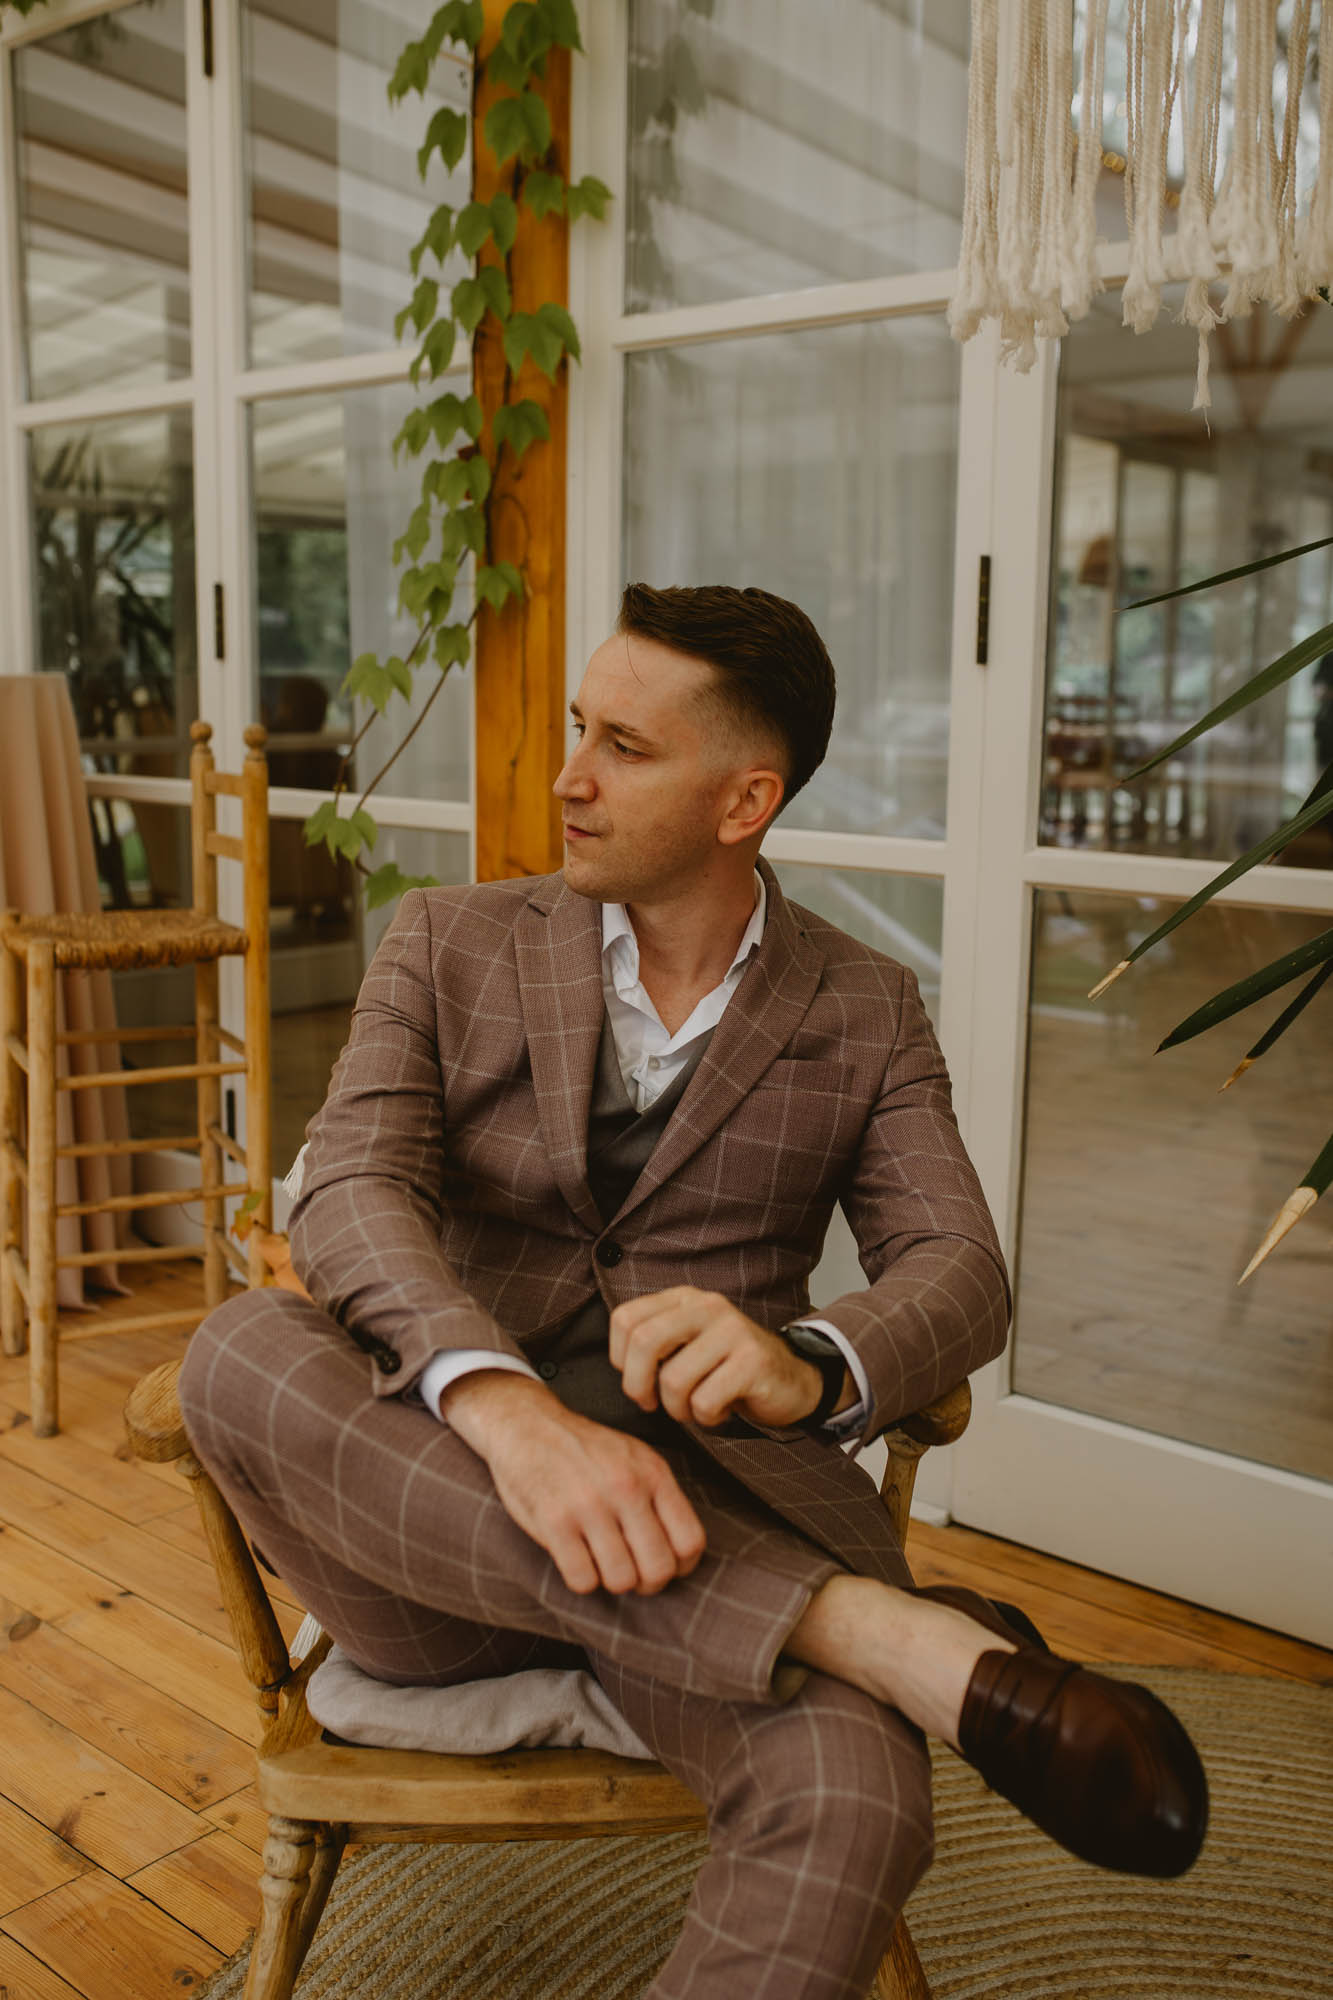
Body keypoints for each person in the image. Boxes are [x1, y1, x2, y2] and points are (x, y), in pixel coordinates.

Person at [181, 584, 1206, 2000]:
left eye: (624, 748)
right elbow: (350, 1189)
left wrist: (809, 1361)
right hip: (433, 1546)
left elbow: (961, 1270)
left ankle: (812, 1623)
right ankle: (865, 1628)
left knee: (860, 1797)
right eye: (578, 730)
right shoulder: (445, 941)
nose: (570, 777)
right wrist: (513, 1419)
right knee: (241, 1347)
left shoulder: (863, 1007)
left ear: (745, 801)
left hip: (707, 1504)